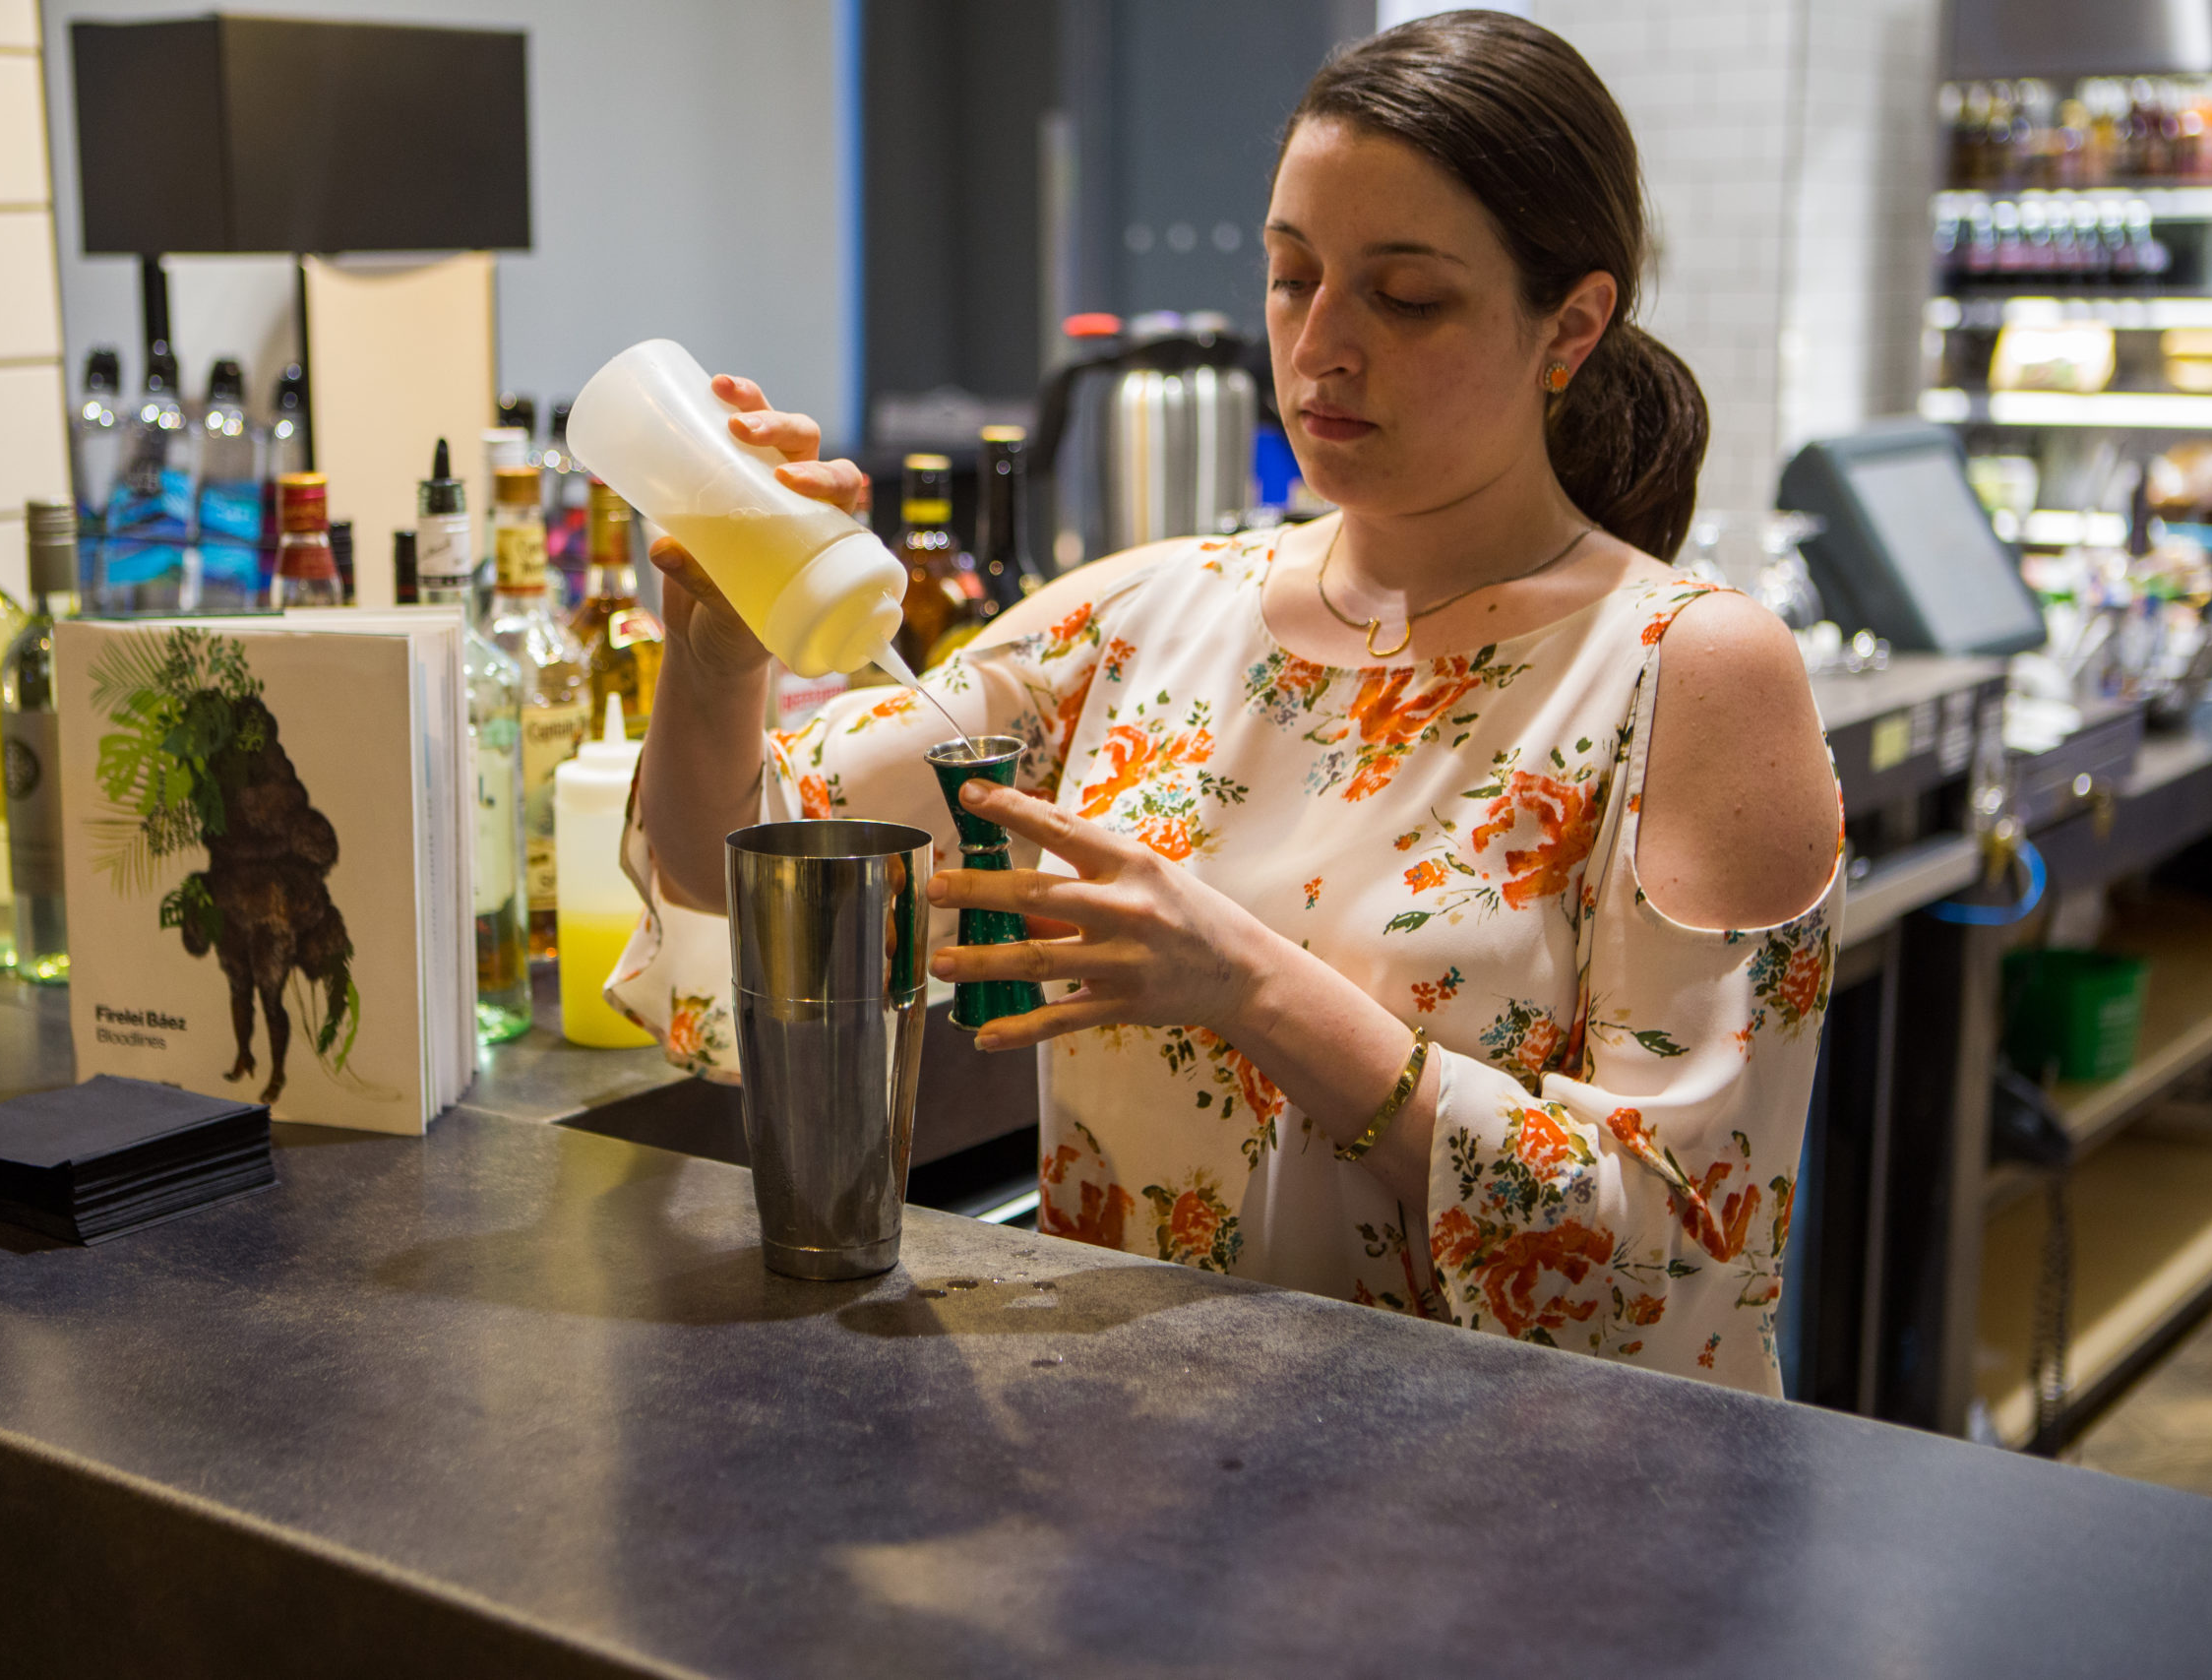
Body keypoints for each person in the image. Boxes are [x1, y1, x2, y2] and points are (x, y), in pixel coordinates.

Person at [620, 11, 1843, 1396]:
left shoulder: (1687, 669)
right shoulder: (1137, 618)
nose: (1322, 343)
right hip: (1147, 1479)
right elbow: (732, 865)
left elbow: (1679, 1252)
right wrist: (718, 640)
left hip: (1515, 1521)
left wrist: (1248, 982)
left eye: (1407, 295)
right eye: (1291, 275)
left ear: (1569, 325)